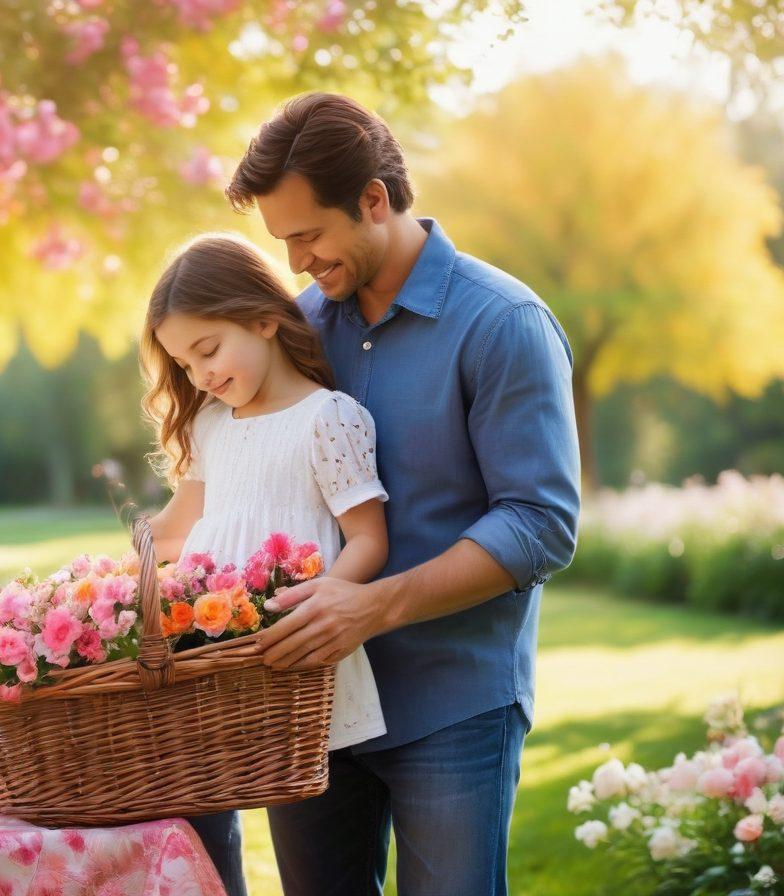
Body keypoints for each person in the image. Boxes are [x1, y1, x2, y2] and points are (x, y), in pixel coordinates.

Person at [225, 93, 581, 895]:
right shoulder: (303, 330)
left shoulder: (504, 324)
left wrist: (375, 604)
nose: (295, 264)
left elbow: (540, 525)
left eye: (307, 235)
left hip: (454, 707)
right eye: (281, 242)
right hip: (314, 705)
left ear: (374, 200)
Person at [141, 233, 392, 896]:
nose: (199, 376)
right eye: (183, 364)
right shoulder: (210, 429)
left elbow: (368, 537)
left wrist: (324, 603)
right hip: (212, 674)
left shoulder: (327, 419)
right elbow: (176, 533)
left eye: (207, 350)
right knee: (200, 847)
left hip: (297, 671)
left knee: (319, 867)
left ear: (262, 318)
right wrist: (126, 562)